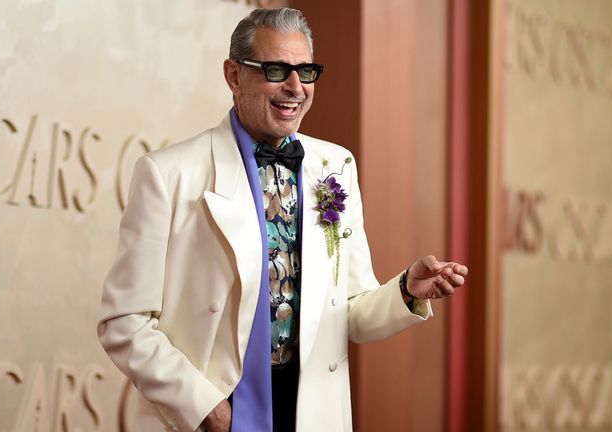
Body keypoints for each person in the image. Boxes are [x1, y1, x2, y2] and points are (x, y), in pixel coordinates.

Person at [98, 7, 467, 432]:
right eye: (276, 70)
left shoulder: (336, 164)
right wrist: (206, 408)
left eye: (306, 72)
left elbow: (348, 313)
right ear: (234, 76)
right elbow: (123, 322)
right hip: (212, 412)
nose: (295, 87)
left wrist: (405, 290)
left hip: (311, 412)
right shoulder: (167, 174)